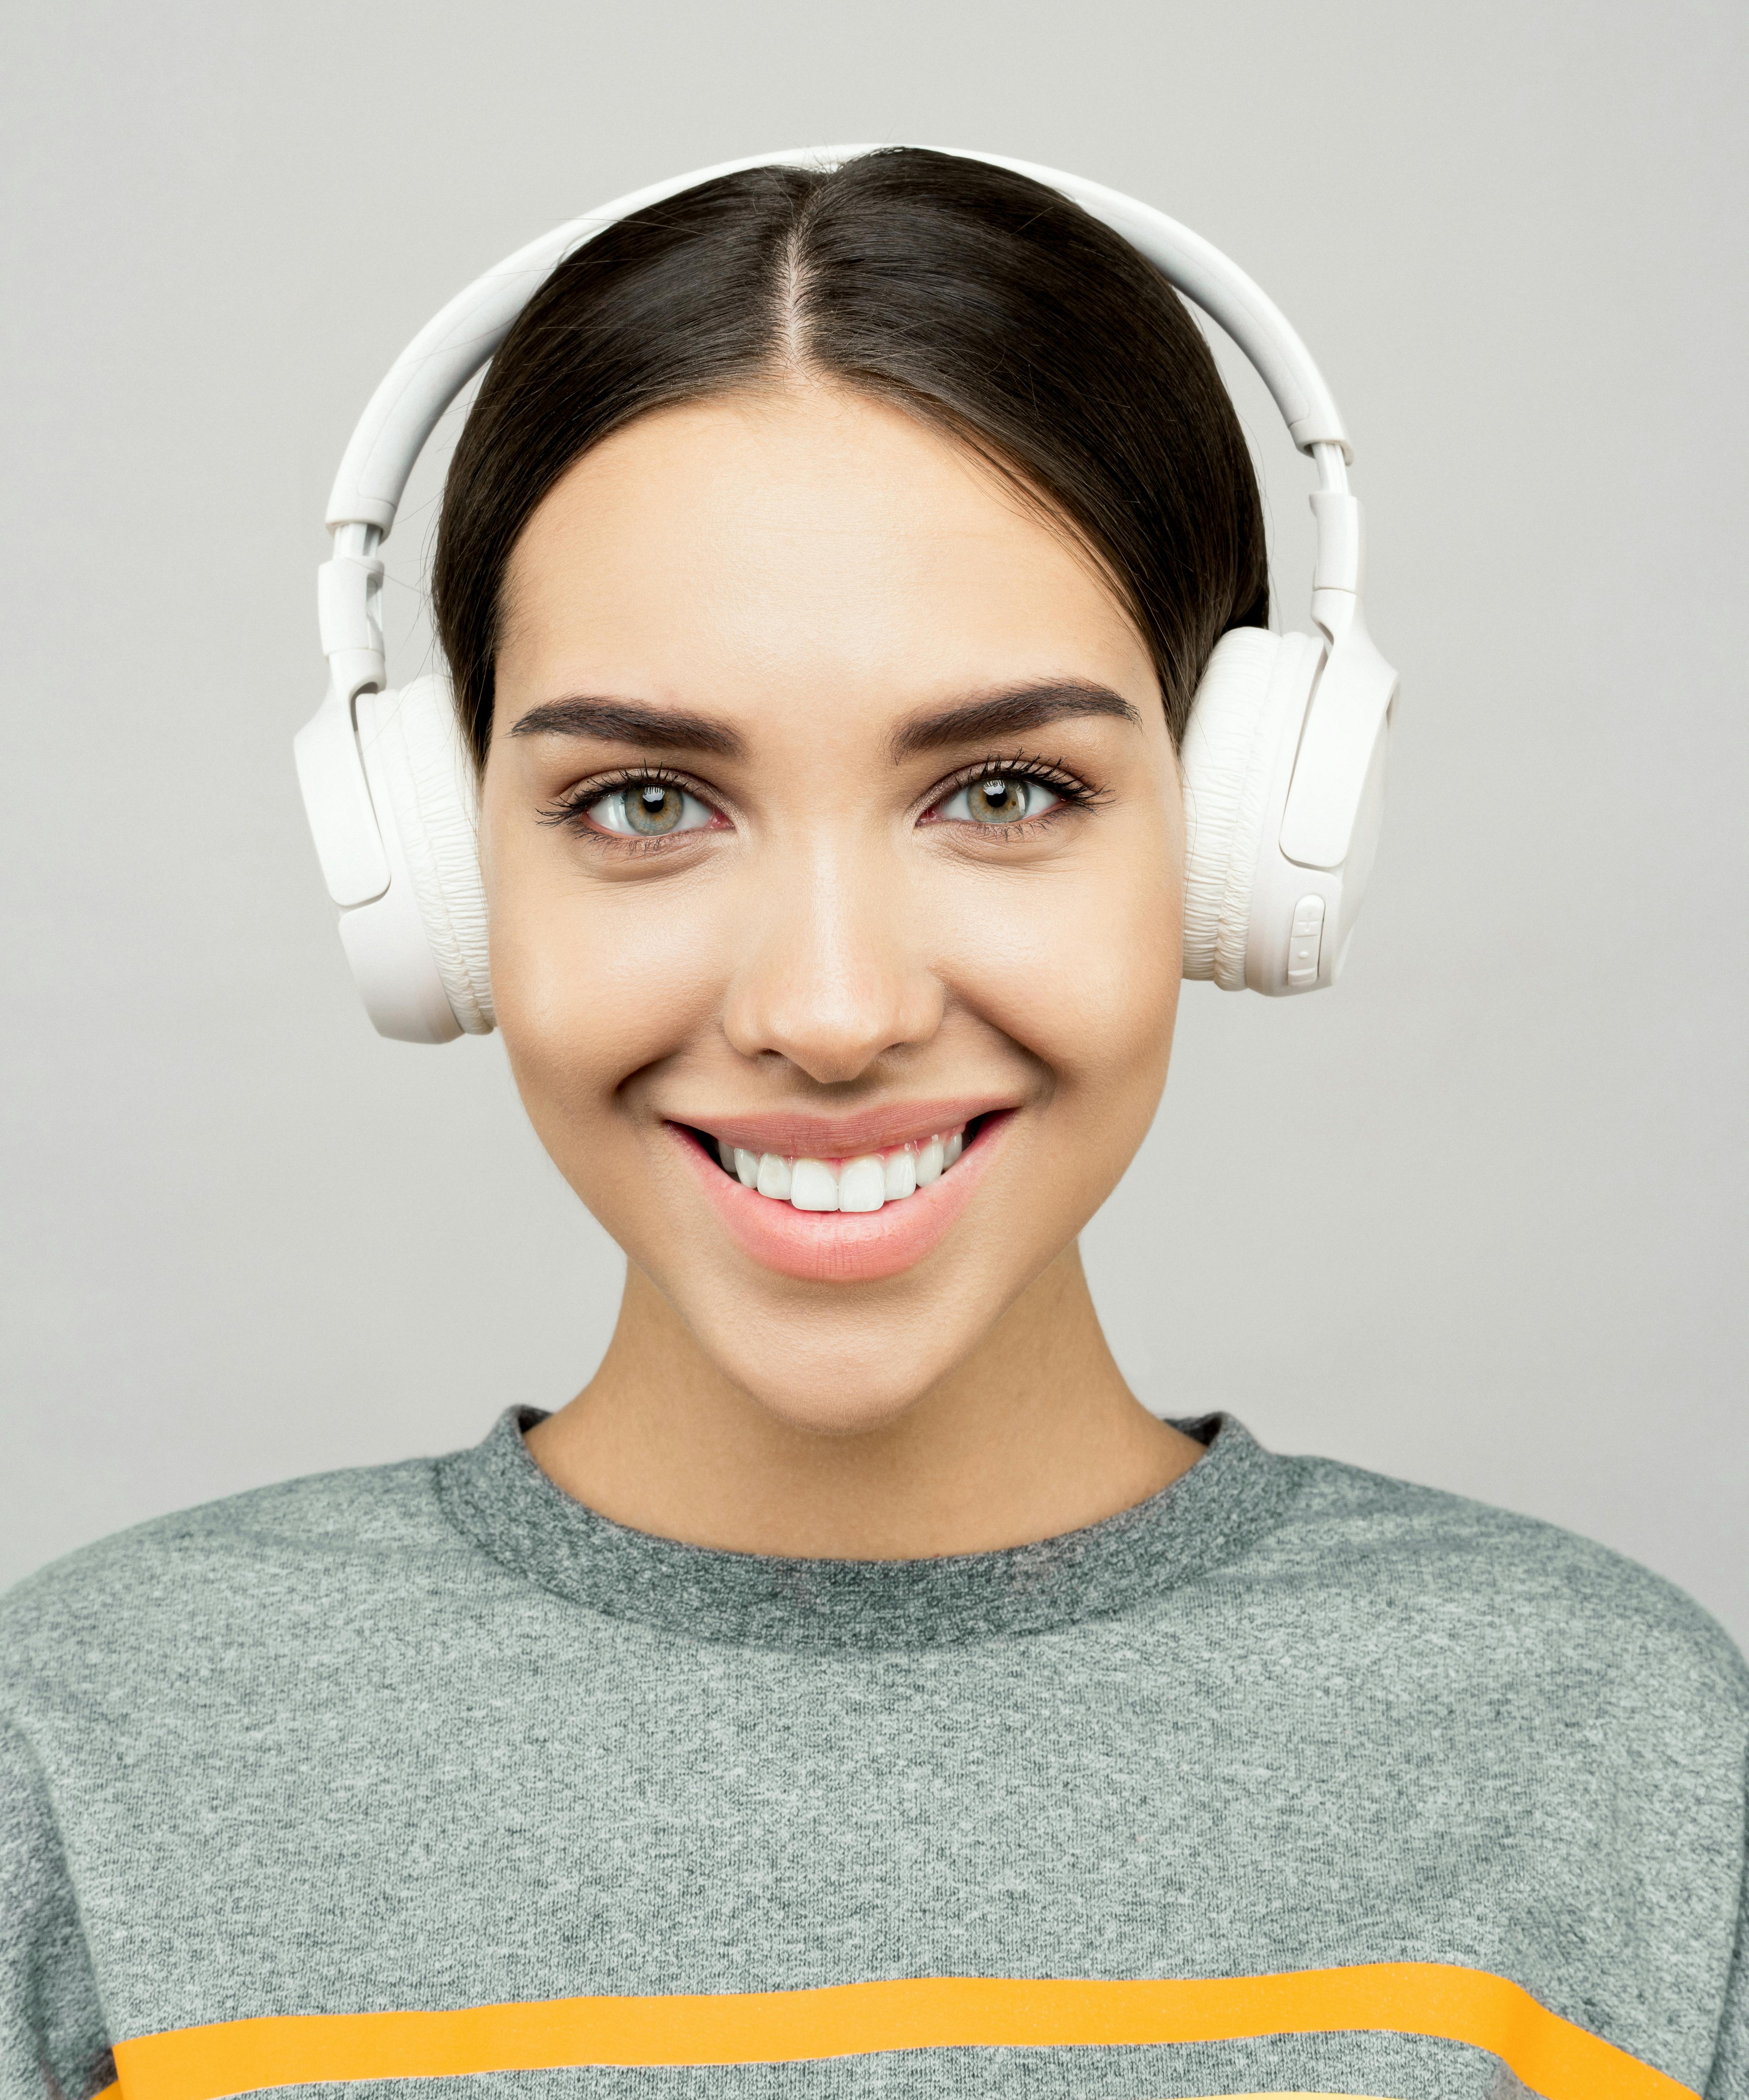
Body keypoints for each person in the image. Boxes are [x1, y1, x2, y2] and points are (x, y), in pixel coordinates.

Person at [2, 151, 1743, 2100]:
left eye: (1003, 791)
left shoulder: (1613, 1752)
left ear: (1244, 835)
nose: (830, 1015)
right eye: (647, 802)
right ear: (436, 867)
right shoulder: (93, 1747)